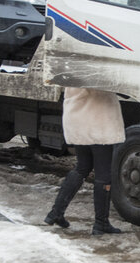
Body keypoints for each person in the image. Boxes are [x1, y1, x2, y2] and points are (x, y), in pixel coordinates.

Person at [45, 87, 126, 235]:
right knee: (103, 174)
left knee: (82, 167)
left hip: (78, 117)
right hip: (98, 120)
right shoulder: (95, 65)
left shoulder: (74, 64)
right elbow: (107, 82)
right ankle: (101, 223)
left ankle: (55, 213)